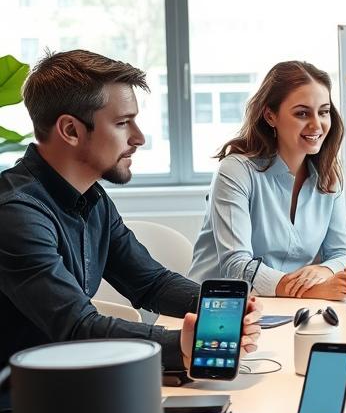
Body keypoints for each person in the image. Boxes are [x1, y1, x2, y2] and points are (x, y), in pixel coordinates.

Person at [0, 50, 262, 374]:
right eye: (123, 123)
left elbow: (151, 283)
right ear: (70, 130)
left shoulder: (92, 199)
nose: (139, 138)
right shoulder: (16, 215)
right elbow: (77, 327)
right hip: (21, 406)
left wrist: (223, 308)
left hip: (71, 387)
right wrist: (179, 342)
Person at [189, 61, 346, 300]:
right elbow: (237, 266)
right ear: (270, 115)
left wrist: (324, 269)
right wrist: (310, 290)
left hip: (284, 307)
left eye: (324, 111)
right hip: (219, 309)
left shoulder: (329, 176)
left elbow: (342, 252)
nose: (317, 125)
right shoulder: (235, 171)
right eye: (302, 113)